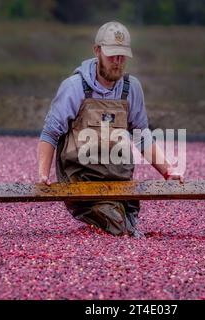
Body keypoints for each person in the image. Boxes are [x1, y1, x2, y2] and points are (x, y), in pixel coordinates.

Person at [37, 21, 183, 238]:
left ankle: (124, 217)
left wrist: (167, 171)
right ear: (97, 51)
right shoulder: (74, 87)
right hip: (81, 181)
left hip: (118, 179)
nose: (117, 62)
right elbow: (50, 133)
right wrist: (42, 174)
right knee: (116, 226)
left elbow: (141, 136)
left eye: (122, 56)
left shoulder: (131, 89)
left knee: (126, 225)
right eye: (112, 55)